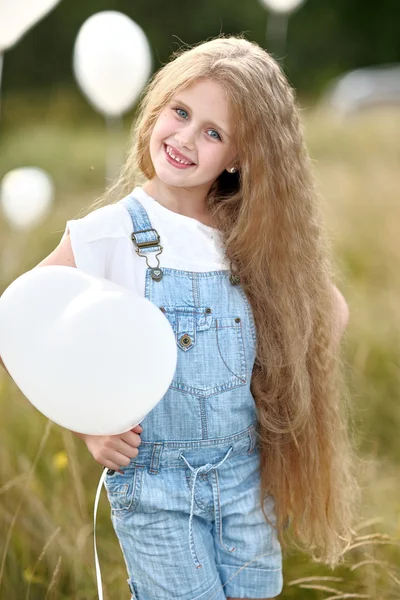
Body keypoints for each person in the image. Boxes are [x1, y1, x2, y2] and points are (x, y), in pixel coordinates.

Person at [1, 35, 358, 600]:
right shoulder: (111, 232)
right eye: (181, 112)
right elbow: (16, 321)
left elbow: (329, 311)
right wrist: (89, 423)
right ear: (158, 106)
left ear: (240, 157)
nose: (186, 139)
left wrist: (282, 383)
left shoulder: (246, 238)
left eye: (213, 133)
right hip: (157, 491)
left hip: (247, 488)